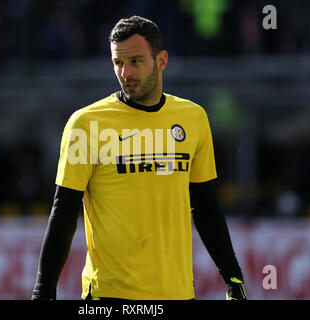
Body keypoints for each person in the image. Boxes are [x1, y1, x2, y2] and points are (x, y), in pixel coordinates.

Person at [32, 16, 247, 300]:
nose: (125, 72)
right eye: (118, 63)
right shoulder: (86, 124)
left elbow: (205, 206)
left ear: (161, 61)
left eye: (135, 61)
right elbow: (64, 211)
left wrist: (232, 278)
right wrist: (43, 291)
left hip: (178, 293)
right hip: (109, 296)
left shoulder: (193, 118)